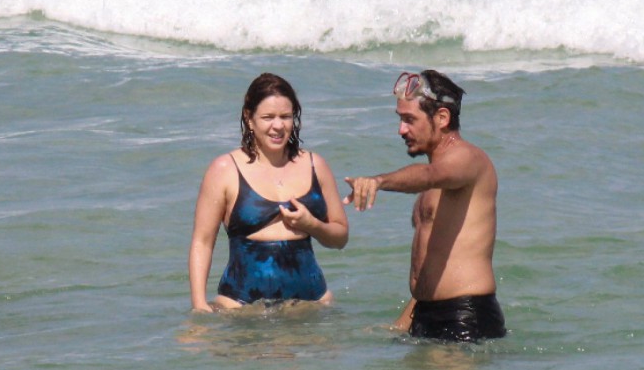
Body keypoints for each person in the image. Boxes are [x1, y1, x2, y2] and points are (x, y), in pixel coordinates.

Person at [344, 70, 505, 342]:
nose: (401, 130)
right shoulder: (433, 184)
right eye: (400, 119)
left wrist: (379, 181)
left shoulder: (468, 160)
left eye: (409, 120)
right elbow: (433, 264)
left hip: (464, 316)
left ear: (442, 118)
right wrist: (403, 323)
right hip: (425, 314)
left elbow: (429, 175)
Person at [189, 73, 348, 311]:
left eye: (285, 116)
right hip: (242, 309)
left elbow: (340, 238)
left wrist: (312, 225)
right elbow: (202, 242)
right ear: (249, 119)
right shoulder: (224, 169)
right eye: (268, 117)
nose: (278, 125)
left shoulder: (316, 165)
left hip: (311, 308)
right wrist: (199, 305)